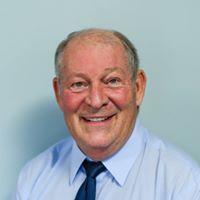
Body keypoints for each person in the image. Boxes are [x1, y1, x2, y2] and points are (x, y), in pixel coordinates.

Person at [14, 28, 200, 200]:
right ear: (59, 93)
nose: (96, 101)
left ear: (138, 87)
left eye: (112, 81)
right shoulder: (32, 179)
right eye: (78, 84)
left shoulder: (182, 184)